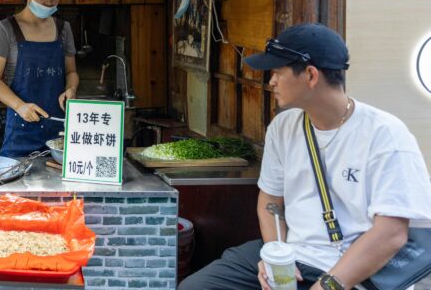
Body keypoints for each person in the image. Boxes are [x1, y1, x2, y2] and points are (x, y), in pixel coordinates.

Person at [179, 23, 431, 290]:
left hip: (357, 270)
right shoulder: (283, 126)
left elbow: (391, 234)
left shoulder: (385, 135)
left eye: (277, 72)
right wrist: (274, 255)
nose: (271, 81)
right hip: (295, 257)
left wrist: (329, 285)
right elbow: (270, 200)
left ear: (311, 76)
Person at [0, 0, 79, 157]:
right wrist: (20, 106)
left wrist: (71, 89)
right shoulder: (6, 29)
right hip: (21, 129)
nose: (49, 1)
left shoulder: (64, 29)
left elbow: (71, 72)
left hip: (59, 130)